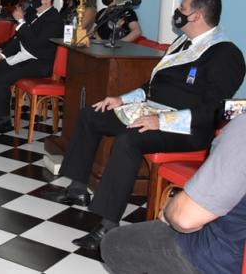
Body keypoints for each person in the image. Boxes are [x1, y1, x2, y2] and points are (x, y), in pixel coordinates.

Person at [50, 0, 245, 252]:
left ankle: (108, 224)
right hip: (152, 111)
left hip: (188, 128)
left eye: (183, 8)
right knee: (92, 115)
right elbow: (152, 86)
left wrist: (162, 121)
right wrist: (122, 100)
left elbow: (212, 110)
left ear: (197, 16)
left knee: (129, 139)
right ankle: (77, 187)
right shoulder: (181, 43)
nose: (178, 12)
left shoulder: (225, 54)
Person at [101, 111, 246, 274]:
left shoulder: (242, 131)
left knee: (113, 244)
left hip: (217, 260)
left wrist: (169, 210)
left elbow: (185, 220)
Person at [0, 0, 63, 132]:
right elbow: (19, 40)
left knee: (2, 77)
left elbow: (36, 43)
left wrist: (21, 22)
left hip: (39, 62)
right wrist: (1, 55)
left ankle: (4, 121)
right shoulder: (34, 14)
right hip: (24, 56)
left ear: (48, 0)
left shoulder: (54, 19)